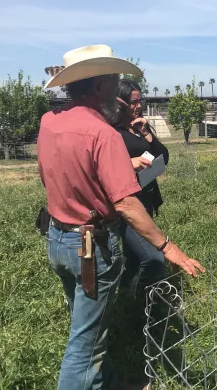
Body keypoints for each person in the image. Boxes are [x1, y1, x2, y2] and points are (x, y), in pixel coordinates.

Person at [38, 44, 204, 390]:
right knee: (83, 349)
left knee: (89, 330)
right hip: (91, 247)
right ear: (98, 85)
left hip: (58, 238)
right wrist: (167, 246)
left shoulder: (50, 122)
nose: (119, 88)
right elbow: (127, 204)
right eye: (114, 79)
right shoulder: (102, 134)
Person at [113, 80, 168, 290]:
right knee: (152, 258)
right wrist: (128, 164)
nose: (138, 106)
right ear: (121, 103)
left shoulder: (138, 127)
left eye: (140, 101)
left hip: (147, 199)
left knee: (134, 257)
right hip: (128, 203)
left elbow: (164, 156)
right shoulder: (113, 132)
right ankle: (142, 302)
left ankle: (128, 297)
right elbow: (103, 166)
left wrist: (146, 133)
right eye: (134, 102)